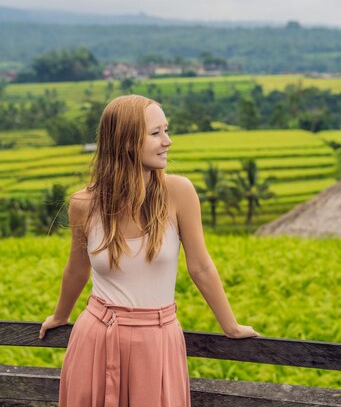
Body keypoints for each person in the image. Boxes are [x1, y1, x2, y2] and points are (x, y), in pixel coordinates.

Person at [39, 94, 260, 407]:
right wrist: (60, 315)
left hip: (157, 340)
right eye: (156, 133)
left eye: (166, 131)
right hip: (96, 337)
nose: (167, 141)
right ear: (125, 141)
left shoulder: (179, 192)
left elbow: (200, 266)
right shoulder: (84, 205)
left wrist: (230, 325)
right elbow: (77, 269)